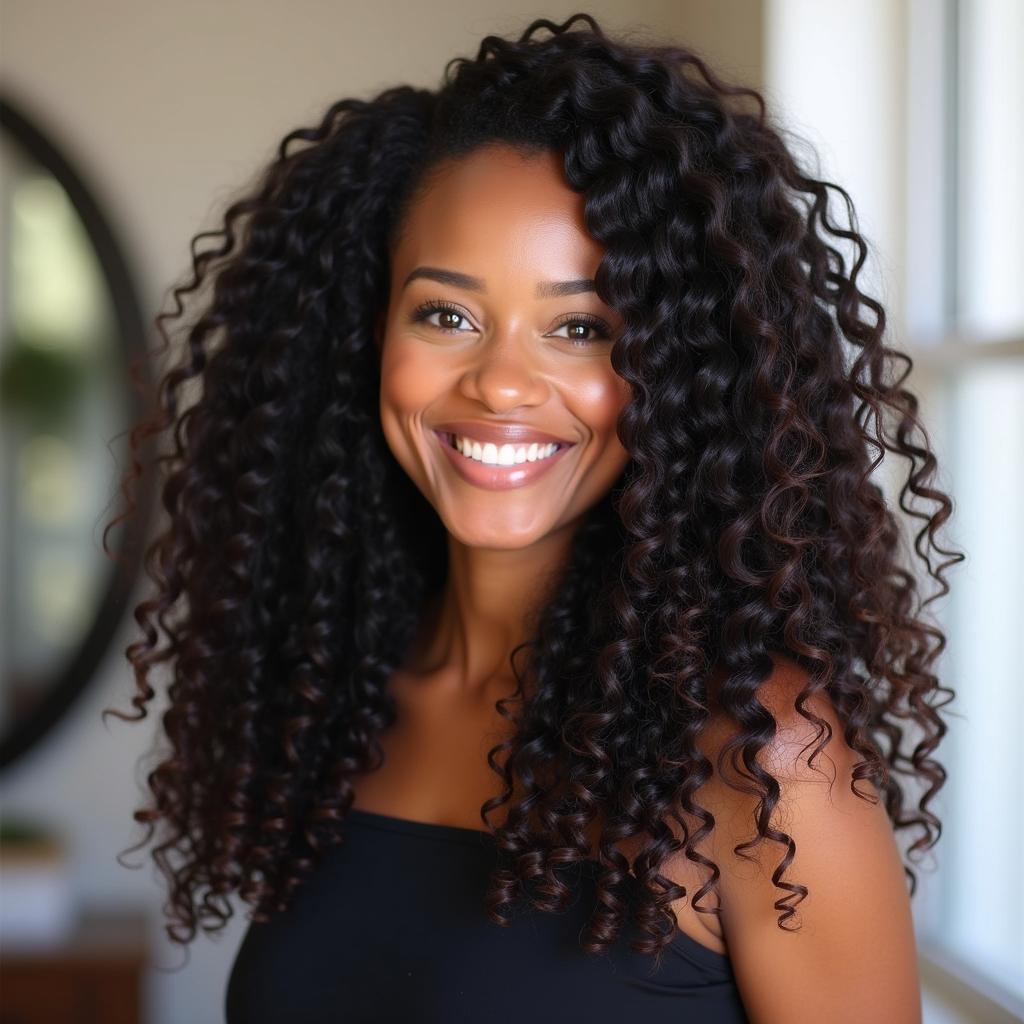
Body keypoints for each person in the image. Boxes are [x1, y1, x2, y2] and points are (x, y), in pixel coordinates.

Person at [104, 12, 958, 1023]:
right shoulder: (337, 691)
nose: (502, 383)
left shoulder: (763, 757)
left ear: (681, 372)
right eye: (447, 314)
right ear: (366, 332)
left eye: (582, 327)